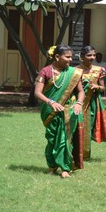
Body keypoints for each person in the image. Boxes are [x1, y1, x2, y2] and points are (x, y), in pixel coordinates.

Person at [34, 45, 85, 178]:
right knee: (51, 139)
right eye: (67, 57)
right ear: (57, 57)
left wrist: (79, 103)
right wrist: (51, 102)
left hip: (68, 110)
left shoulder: (73, 72)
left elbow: (81, 92)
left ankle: (64, 168)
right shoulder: (45, 72)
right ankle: (52, 166)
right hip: (50, 111)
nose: (70, 60)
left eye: (71, 57)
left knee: (64, 139)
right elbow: (37, 93)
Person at [76, 46, 106, 160]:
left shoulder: (99, 70)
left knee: (88, 127)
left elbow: (103, 88)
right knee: (76, 126)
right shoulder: (75, 70)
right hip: (77, 102)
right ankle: (74, 151)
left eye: (94, 55)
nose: (92, 57)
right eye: (89, 55)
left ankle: (85, 154)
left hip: (92, 103)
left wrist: (96, 86)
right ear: (82, 56)